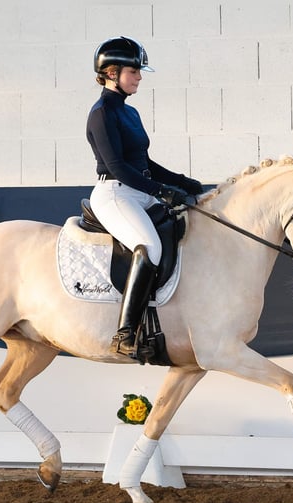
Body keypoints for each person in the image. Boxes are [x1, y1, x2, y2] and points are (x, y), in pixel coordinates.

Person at [86, 36, 203, 359]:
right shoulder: (101, 114)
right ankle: (125, 334)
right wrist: (162, 191)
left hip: (139, 190)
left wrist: (184, 182)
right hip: (115, 193)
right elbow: (118, 167)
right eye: (134, 71)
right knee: (149, 246)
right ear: (112, 73)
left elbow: (145, 164)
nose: (139, 77)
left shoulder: (131, 113)